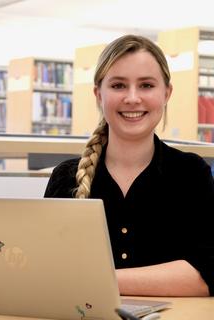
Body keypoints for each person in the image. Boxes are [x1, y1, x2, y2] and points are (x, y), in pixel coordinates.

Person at [44, 34, 214, 297]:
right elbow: (47, 272)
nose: (132, 98)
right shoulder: (66, 177)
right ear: (98, 94)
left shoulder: (191, 173)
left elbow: (206, 276)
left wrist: (96, 278)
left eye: (146, 85)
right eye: (119, 85)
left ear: (166, 93)